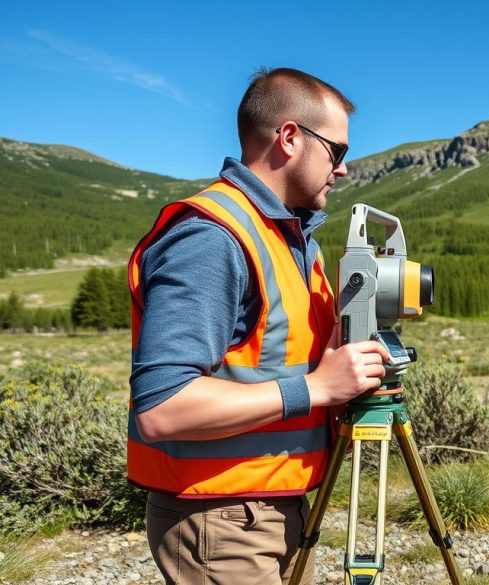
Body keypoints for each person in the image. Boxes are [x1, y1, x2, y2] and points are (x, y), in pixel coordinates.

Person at [127, 67, 390, 584]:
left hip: (274, 506)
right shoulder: (212, 238)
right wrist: (315, 387)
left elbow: (269, 359)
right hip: (221, 519)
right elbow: (161, 408)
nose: (342, 171)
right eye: (337, 152)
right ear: (290, 138)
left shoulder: (291, 238)